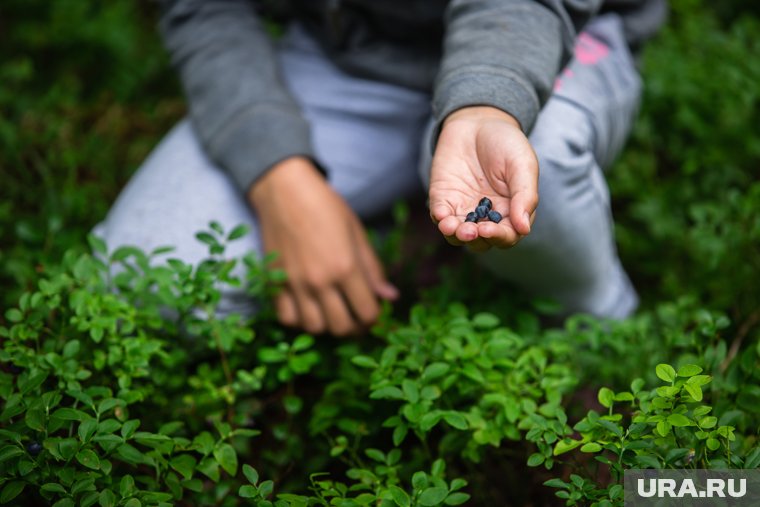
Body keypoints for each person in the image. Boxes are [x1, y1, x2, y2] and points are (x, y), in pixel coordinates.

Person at [95, 0, 667, 336]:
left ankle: (603, 328)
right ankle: (409, 240)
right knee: (140, 278)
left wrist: (490, 99)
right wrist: (279, 177)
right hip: (348, 53)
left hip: (535, 30)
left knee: (531, 171)